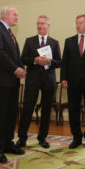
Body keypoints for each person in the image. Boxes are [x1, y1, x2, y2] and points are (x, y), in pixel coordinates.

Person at [0, 6, 26, 163]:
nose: (17, 17)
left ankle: (8, 144)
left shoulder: (11, 34)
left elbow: (15, 56)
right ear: (5, 15)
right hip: (0, 81)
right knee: (0, 115)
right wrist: (15, 69)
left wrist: (21, 68)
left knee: (10, 114)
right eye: (15, 14)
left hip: (13, 81)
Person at [16, 15, 61, 149]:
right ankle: (22, 138)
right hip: (33, 79)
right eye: (38, 24)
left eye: (42, 23)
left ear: (48, 26)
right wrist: (34, 60)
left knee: (46, 110)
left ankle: (42, 138)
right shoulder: (29, 41)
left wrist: (49, 62)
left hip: (49, 80)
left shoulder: (54, 43)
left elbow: (59, 61)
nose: (40, 26)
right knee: (27, 108)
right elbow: (23, 59)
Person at [61, 14, 85, 149]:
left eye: (81, 23)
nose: (78, 25)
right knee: (73, 110)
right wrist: (63, 78)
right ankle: (76, 137)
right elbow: (64, 61)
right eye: (77, 23)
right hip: (73, 81)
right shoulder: (69, 41)